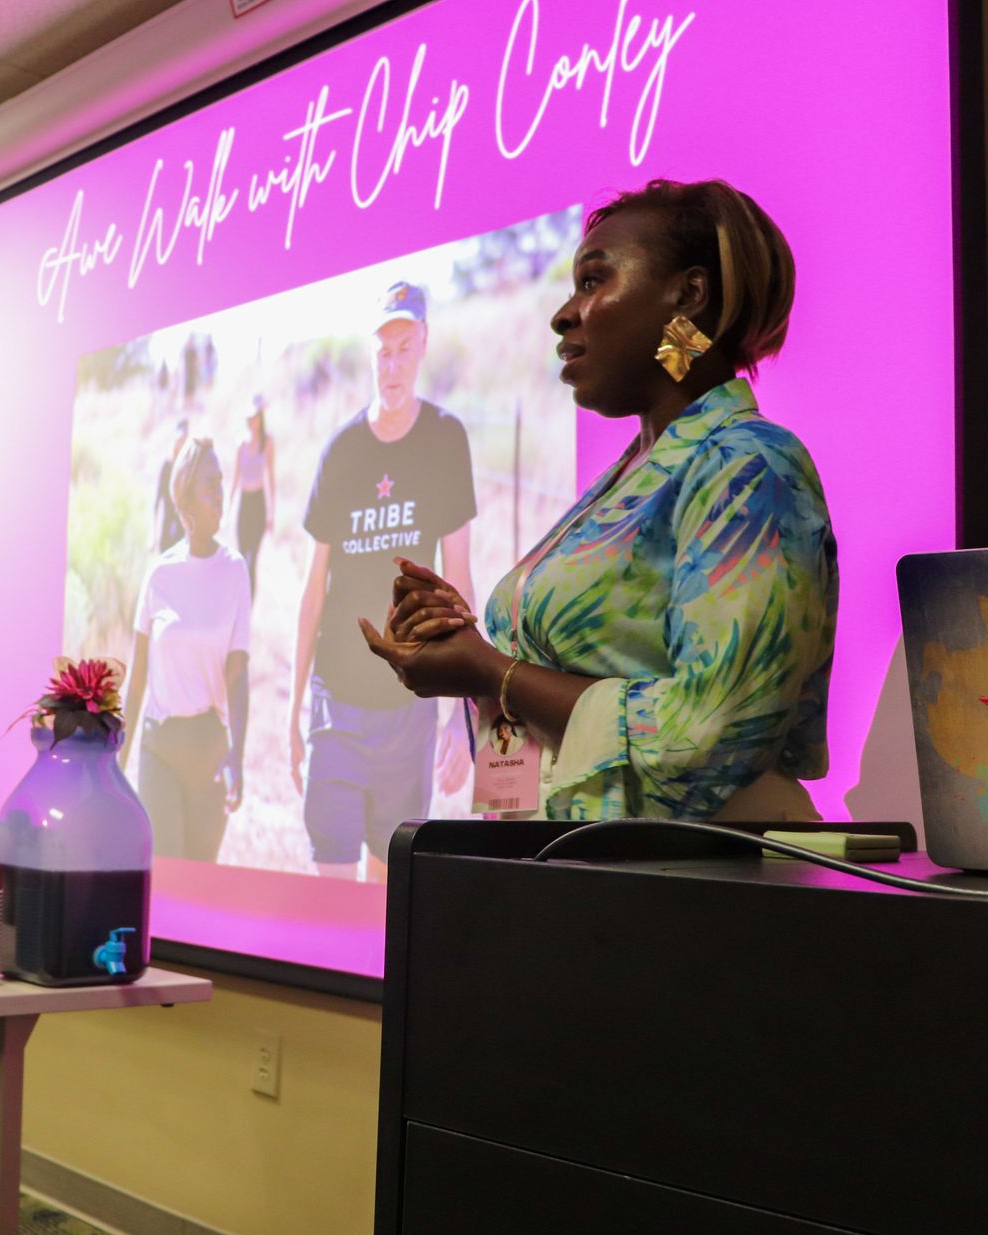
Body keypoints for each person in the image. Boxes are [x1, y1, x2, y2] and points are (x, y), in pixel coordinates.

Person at [363, 179, 837, 821]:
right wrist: (466, 650)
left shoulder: (748, 465)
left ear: (688, 297)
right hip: (577, 878)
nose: (563, 314)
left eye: (593, 282)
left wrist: (492, 674)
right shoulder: (631, 476)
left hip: (702, 889)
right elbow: (554, 748)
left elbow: (708, 738)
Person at [291, 282, 478, 880]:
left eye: (403, 347)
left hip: (409, 702)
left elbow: (459, 576)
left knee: (386, 888)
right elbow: (312, 586)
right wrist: (292, 708)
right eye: (382, 351)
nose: (391, 364)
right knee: (332, 881)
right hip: (335, 705)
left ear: (422, 346)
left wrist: (460, 711)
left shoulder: (446, 439)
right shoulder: (340, 449)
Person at [122, 439, 252, 860]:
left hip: (209, 749)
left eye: (221, 482)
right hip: (160, 747)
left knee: (199, 886)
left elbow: (238, 672)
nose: (220, 493)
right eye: (208, 484)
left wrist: (238, 754)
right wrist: (116, 764)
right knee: (163, 879)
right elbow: (137, 679)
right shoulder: (159, 574)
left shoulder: (235, 571)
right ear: (185, 499)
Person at [230, 394, 278, 595]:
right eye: (249, 418)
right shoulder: (240, 445)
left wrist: (271, 513)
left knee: (252, 560)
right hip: (244, 503)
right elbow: (235, 478)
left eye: (255, 417)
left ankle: (249, 605)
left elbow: (271, 478)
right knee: (241, 557)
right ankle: (239, 599)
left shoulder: (267, 443)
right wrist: (228, 507)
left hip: (258, 504)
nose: (253, 422)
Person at [152, 417, 190, 552]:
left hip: (182, 531)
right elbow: (157, 500)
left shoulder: (189, 468)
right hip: (167, 527)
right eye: (179, 441)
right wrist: (153, 533)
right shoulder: (166, 467)